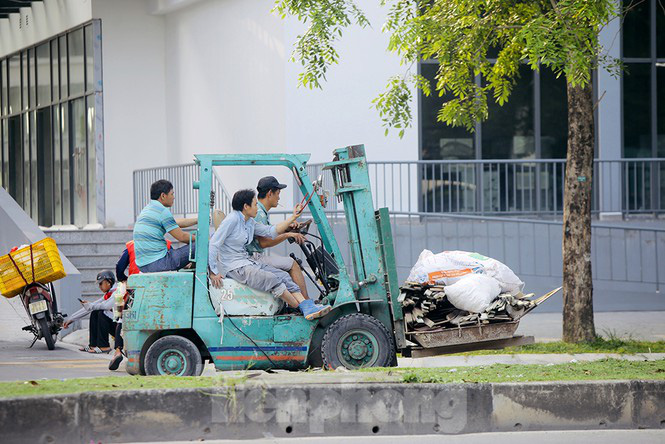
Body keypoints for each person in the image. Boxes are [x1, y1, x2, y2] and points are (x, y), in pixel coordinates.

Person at [208, 189, 331, 320]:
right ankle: (301, 308)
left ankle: (307, 306)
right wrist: (213, 272)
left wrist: (293, 217)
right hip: (236, 268)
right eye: (255, 204)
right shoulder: (232, 220)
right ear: (245, 206)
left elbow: (270, 231)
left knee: (283, 275)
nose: (257, 208)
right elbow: (214, 244)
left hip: (247, 262)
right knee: (272, 278)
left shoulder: (249, 222)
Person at [246, 176, 310, 299]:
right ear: (270, 193)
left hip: (255, 256)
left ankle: (297, 302)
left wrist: (288, 228)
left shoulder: (260, 211)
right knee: (293, 264)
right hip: (254, 258)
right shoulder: (259, 213)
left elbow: (270, 231)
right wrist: (287, 234)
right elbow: (264, 242)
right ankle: (306, 302)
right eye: (278, 193)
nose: (279, 197)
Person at [133, 179, 197, 273]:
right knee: (202, 245)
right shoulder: (162, 211)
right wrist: (203, 240)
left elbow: (176, 222)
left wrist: (197, 220)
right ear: (163, 196)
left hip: (143, 266)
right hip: (159, 263)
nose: (173, 197)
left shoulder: (148, 209)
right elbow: (182, 237)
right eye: (172, 194)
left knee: (194, 242)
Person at [63, 270, 118, 354]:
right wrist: (71, 319)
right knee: (95, 313)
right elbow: (91, 307)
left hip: (120, 328)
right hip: (115, 325)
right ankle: (93, 345)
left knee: (101, 314)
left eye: (101, 283)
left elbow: (106, 306)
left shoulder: (117, 292)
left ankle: (104, 346)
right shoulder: (108, 294)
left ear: (109, 282)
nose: (99, 287)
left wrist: (91, 305)